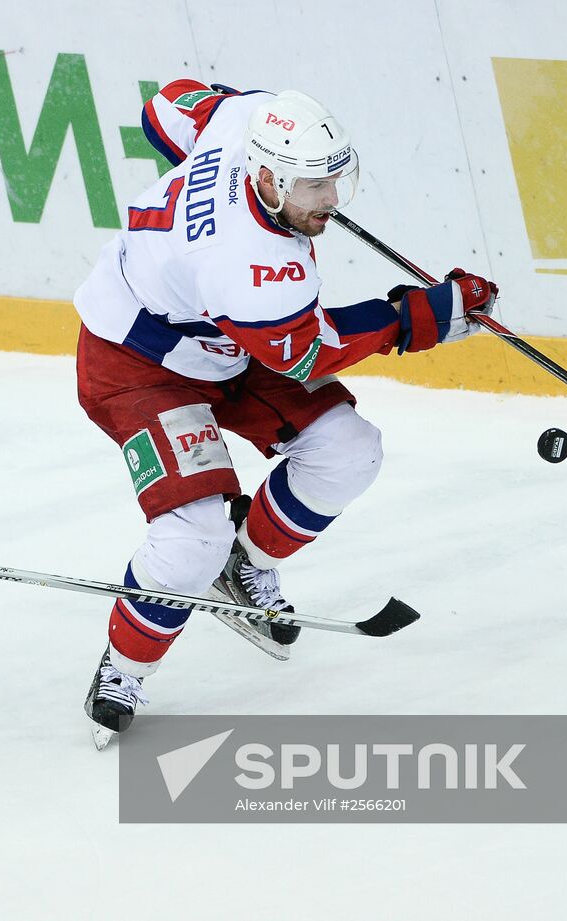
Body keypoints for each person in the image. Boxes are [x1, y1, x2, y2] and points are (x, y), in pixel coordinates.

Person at [75, 82, 496, 740]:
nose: (330, 200)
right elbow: (310, 352)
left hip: (223, 344)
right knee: (191, 538)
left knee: (350, 450)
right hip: (141, 367)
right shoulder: (247, 267)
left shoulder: (246, 117)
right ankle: (123, 667)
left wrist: (196, 169)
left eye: (335, 180)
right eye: (312, 188)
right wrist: (428, 315)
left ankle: (246, 566)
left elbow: (167, 107)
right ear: (266, 177)